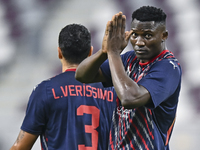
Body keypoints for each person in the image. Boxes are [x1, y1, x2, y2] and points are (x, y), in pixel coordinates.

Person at [75, 6, 182, 150]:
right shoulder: (129, 59)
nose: (139, 42)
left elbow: (130, 98)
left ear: (164, 35)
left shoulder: (168, 67)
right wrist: (104, 51)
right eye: (135, 34)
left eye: (147, 35)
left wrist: (113, 53)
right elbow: (82, 75)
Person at [10, 24, 117, 150]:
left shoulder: (45, 90)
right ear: (90, 52)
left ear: (59, 52)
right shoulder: (111, 91)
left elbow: (20, 147)